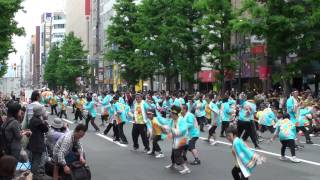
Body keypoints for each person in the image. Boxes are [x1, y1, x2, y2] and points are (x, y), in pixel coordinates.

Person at [165, 106, 191, 174]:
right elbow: (169, 128)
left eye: (171, 113)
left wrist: (172, 130)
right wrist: (166, 129)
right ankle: (173, 165)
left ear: (175, 114)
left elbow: (183, 131)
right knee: (173, 153)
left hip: (183, 139)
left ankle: (186, 168)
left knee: (177, 154)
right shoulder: (172, 120)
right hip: (176, 139)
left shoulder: (181, 120)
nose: (170, 114)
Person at [27, 105, 50, 179]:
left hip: (33, 142)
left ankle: (32, 175)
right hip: (37, 143)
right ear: (40, 112)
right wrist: (44, 121)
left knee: (33, 160)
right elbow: (46, 129)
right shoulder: (38, 121)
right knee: (36, 161)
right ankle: (33, 176)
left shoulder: (32, 119)